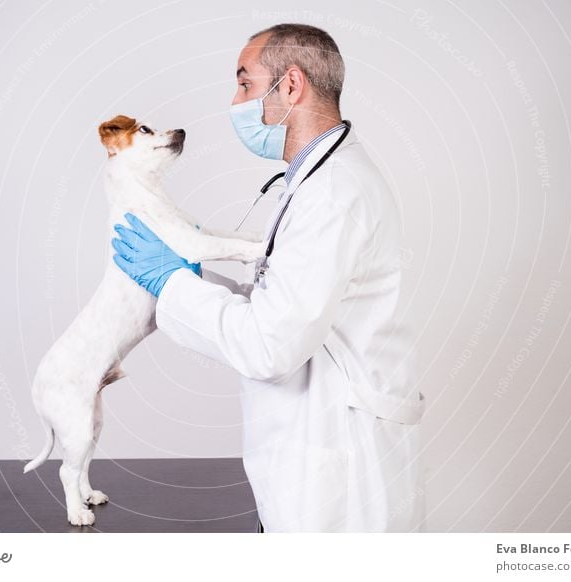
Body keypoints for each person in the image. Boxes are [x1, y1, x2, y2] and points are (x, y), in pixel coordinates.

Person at [111, 23, 426, 532]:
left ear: (292, 86)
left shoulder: (332, 194)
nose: (234, 101)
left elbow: (269, 348)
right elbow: (283, 308)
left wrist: (170, 282)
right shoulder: (317, 180)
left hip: (337, 472)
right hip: (316, 451)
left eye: (244, 85)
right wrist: (195, 277)